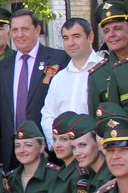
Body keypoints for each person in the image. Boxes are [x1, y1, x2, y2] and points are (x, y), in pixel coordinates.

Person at [0, 9, 68, 167]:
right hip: (12, 150)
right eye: (15, 30)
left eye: (25, 29)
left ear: (38, 30)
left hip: (47, 149)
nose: (19, 35)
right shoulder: (1, 68)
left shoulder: (59, 60)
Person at [40, 17, 102, 145]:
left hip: (95, 149)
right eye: (66, 38)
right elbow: (48, 114)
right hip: (64, 152)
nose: (70, 43)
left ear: (90, 37)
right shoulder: (59, 78)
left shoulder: (104, 71)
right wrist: (59, 142)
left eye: (76, 36)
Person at [86, 1, 128, 114]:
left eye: (117, 28)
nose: (111, 35)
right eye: (106, 31)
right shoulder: (98, 74)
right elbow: (96, 119)